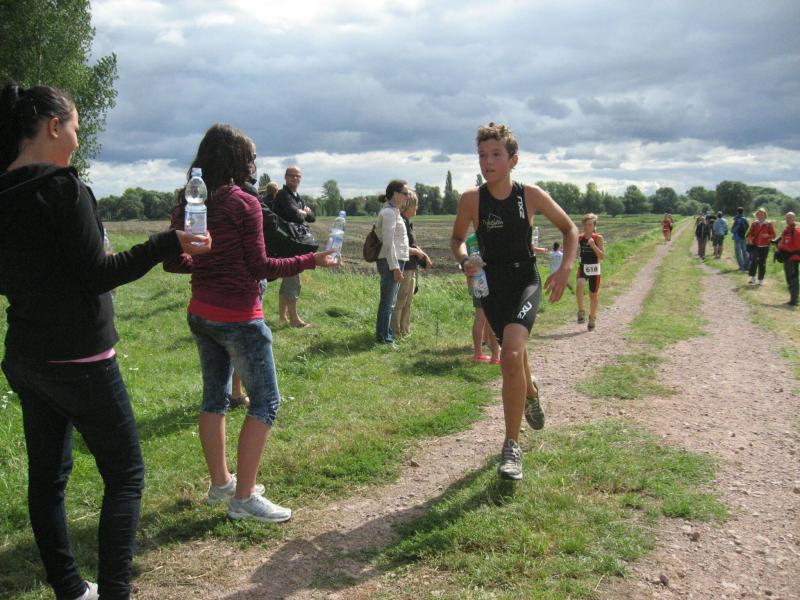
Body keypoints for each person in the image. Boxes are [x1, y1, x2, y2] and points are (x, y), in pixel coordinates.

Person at [0, 83, 211, 600]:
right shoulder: (64, 189)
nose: (77, 137)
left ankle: (71, 590)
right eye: (74, 126)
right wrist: (167, 242)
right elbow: (98, 275)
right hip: (81, 359)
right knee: (126, 475)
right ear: (54, 127)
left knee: (47, 481)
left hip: (27, 357)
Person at [164, 124, 337, 523]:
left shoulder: (191, 200)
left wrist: (207, 262)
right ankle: (243, 498)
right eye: (252, 158)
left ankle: (221, 484)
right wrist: (311, 260)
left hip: (201, 312)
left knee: (214, 398)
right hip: (239, 317)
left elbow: (173, 260)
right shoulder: (244, 203)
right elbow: (261, 267)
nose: (255, 165)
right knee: (266, 402)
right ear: (238, 160)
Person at [451, 122, 577, 480]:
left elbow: (569, 229)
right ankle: (531, 392)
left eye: (496, 155)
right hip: (491, 287)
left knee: (509, 355)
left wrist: (564, 269)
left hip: (524, 281)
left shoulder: (530, 195)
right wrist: (465, 261)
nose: (488, 162)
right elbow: (457, 240)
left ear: (513, 160)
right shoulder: (471, 199)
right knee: (513, 353)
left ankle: (511, 446)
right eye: (482, 155)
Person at [272, 166, 315, 327]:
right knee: (293, 281)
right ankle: (294, 319)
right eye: (292, 176)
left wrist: (304, 213)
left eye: (298, 176)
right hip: (286, 244)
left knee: (289, 280)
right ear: (286, 177)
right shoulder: (283, 195)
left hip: (292, 243)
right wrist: (303, 212)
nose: (296, 178)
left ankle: (283, 317)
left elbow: (312, 217)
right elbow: (293, 214)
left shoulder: (297, 197)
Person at [391, 191, 432, 338]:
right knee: (400, 301)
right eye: (416, 205)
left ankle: (405, 331)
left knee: (408, 302)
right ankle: (395, 333)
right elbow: (398, 247)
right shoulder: (400, 222)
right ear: (408, 205)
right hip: (403, 267)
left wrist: (424, 256)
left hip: (412, 268)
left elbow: (413, 244)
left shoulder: (408, 223)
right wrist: (417, 252)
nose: (417, 208)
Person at [375, 181, 410, 346]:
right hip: (391, 262)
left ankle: (384, 335)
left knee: (390, 301)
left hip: (394, 260)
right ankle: (384, 338)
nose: (407, 197)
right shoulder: (389, 213)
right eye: (405, 193)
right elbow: (388, 244)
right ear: (395, 193)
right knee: (388, 302)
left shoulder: (394, 211)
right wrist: (395, 267)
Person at [466, 233, 501, 364]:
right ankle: (495, 356)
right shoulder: (492, 236)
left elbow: (468, 264)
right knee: (494, 319)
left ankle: (478, 354)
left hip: (476, 280)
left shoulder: (469, 240)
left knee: (479, 319)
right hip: (491, 281)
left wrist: (469, 283)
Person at [575, 213, 605, 331]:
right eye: (586, 224)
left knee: (593, 295)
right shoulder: (580, 238)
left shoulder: (598, 238)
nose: (587, 227)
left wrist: (593, 245)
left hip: (594, 269)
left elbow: (601, 256)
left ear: (594, 226)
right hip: (583, 266)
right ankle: (581, 311)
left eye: (590, 225)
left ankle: (592, 317)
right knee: (580, 284)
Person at [746, 208, 776, 286]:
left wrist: (768, 235)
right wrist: (750, 239)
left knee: (762, 263)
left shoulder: (769, 224)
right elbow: (750, 234)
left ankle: (760, 279)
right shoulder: (754, 224)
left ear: (765, 215)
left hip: (765, 246)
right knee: (754, 261)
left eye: (762, 214)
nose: (760, 216)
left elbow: (774, 235)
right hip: (755, 246)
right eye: (758, 214)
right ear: (757, 215)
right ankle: (752, 278)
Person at [777, 211, 799, 306]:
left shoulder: (796, 231)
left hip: (793, 259)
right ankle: (793, 299)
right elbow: (783, 243)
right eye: (787, 217)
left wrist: (783, 248)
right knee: (789, 278)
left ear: (794, 219)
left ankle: (794, 301)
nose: (788, 219)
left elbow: (796, 247)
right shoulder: (786, 231)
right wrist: (779, 249)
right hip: (786, 258)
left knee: (793, 279)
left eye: (790, 217)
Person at [731, 207, 750, 271]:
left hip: (737, 237)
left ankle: (742, 266)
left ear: (737, 212)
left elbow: (733, 230)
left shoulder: (736, 219)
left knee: (738, 252)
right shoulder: (745, 219)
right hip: (744, 237)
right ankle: (748, 266)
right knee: (745, 251)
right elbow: (748, 228)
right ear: (743, 211)